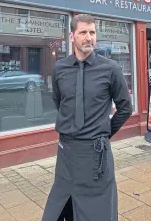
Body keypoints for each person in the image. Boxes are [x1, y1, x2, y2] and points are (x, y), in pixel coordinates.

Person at [42, 14, 133, 221]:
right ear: (72, 36)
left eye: (92, 32)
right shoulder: (60, 68)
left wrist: (103, 132)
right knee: (57, 211)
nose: (88, 37)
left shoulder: (110, 69)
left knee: (98, 213)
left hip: (96, 156)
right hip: (67, 154)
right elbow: (60, 102)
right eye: (83, 32)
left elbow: (125, 108)